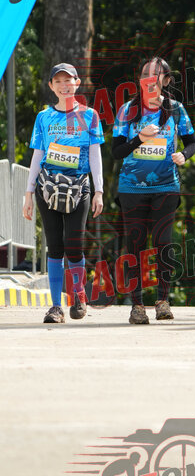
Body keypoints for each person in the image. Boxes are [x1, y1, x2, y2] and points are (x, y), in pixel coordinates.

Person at [112, 57, 195, 324]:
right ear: (140, 80)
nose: (150, 79)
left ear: (166, 80)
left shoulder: (176, 109)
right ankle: (137, 305)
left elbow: (192, 143)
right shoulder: (127, 110)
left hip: (166, 187)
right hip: (132, 188)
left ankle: (162, 301)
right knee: (135, 244)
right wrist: (140, 138)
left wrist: (184, 155)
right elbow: (116, 151)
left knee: (163, 243)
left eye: (156, 74)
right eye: (145, 74)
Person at [23, 63, 104, 323]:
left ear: (77, 83)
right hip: (48, 187)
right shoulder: (43, 117)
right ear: (51, 86)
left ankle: (79, 296)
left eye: (68, 80)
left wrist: (99, 191)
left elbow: (95, 155)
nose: (64, 85)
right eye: (58, 81)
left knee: (74, 245)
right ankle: (56, 307)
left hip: (79, 186)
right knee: (55, 246)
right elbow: (38, 154)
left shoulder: (90, 115)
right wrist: (29, 192)